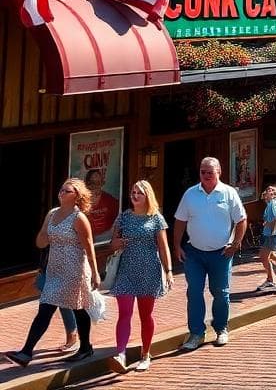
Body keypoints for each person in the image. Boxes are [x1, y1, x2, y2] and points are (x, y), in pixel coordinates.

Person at [5, 178, 100, 367]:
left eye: (67, 191)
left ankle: (83, 348)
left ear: (77, 196)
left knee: (74, 308)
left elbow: (89, 246)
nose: (61, 193)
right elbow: (41, 241)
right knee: (55, 307)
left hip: (75, 269)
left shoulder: (79, 218)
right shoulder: (52, 214)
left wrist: (95, 272)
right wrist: (44, 237)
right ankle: (28, 352)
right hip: (55, 269)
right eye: (61, 190)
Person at [173, 156, 247, 350]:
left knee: (221, 293)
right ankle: (196, 333)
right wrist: (177, 246)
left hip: (221, 254)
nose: (206, 175)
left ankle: (221, 328)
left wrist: (236, 243)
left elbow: (241, 220)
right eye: (203, 172)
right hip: (194, 253)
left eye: (210, 172)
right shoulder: (190, 194)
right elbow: (180, 221)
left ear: (219, 172)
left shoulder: (229, 193)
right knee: (194, 292)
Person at [107, 179, 173, 374]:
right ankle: (121, 353)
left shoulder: (156, 219)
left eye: (139, 193)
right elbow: (112, 244)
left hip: (148, 271)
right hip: (126, 270)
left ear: (147, 196)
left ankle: (145, 354)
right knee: (125, 313)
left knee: (146, 315)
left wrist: (168, 271)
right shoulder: (124, 217)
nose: (135, 196)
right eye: (133, 192)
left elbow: (163, 247)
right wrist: (116, 243)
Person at [256, 186, 276, 292]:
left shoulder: (273, 204)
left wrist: (273, 232)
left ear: (275, 194)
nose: (268, 192)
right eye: (267, 190)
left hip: (271, 235)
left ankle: (271, 280)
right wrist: (267, 223)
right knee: (269, 256)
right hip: (268, 234)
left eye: (271, 191)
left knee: (263, 257)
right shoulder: (269, 204)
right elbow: (272, 219)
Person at [84, 169, 120, 240]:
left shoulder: (109, 199)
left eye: (98, 185)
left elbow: (118, 215)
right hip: (85, 236)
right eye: (92, 186)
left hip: (105, 237)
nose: (95, 192)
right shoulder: (82, 201)